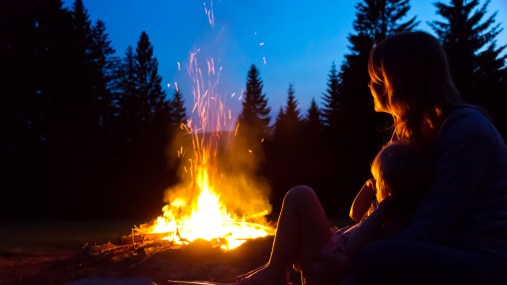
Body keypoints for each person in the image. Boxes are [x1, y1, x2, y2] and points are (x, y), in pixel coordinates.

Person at [344, 31, 507, 285]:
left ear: (400, 80)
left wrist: (346, 258)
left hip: (484, 259)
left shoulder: (466, 131)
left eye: (378, 76)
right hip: (450, 248)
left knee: (375, 258)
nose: (369, 84)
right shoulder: (424, 130)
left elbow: (429, 227)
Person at [236, 141, 434, 285]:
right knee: (297, 212)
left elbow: (355, 246)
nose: (373, 183)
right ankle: (274, 269)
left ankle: (275, 274)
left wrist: (383, 207)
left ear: (390, 190)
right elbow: (355, 214)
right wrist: (368, 189)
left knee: (301, 195)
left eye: (377, 179)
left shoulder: (392, 220)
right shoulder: (382, 209)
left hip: (331, 259)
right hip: (332, 246)